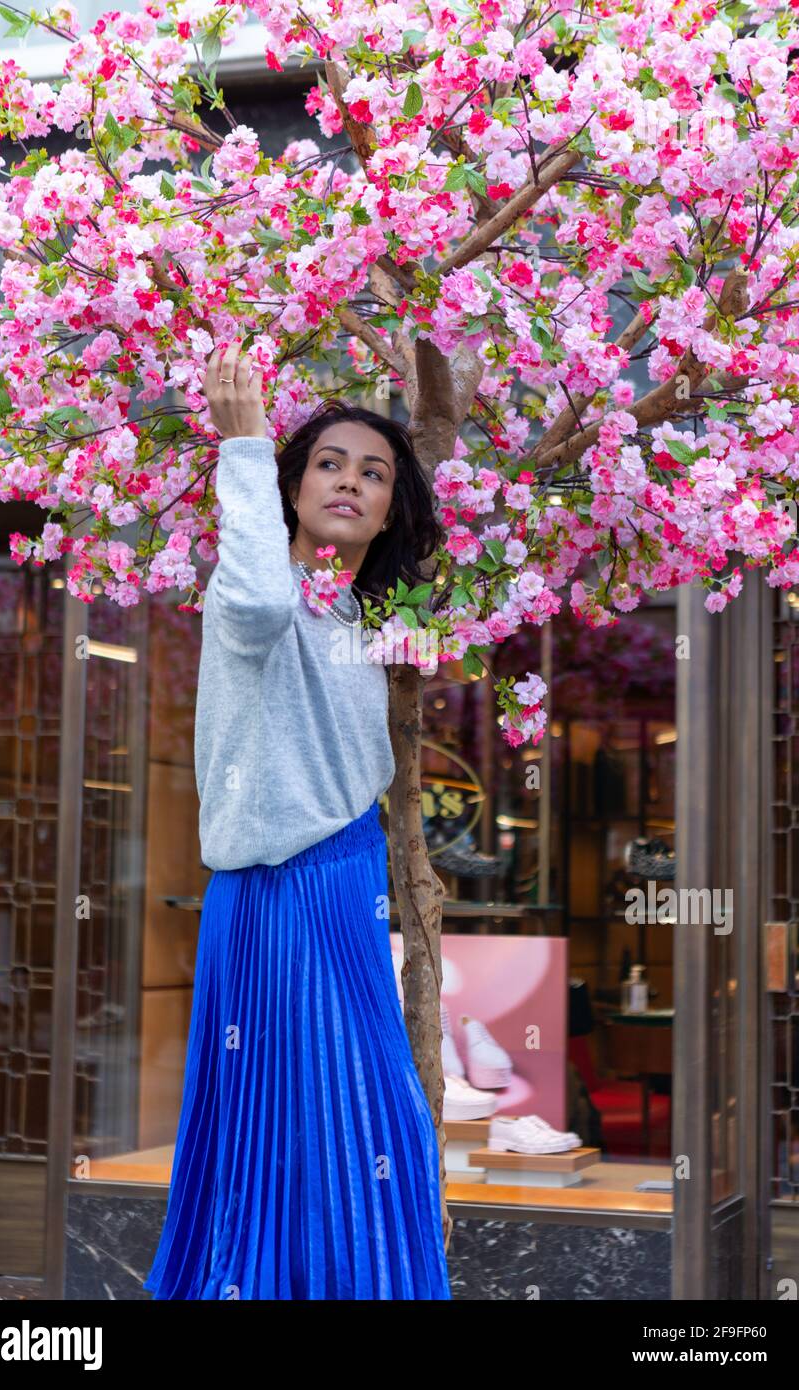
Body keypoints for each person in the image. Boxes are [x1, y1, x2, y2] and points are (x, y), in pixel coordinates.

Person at [142, 344, 452, 1299]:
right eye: (328, 463)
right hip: (276, 890)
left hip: (350, 880)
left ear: (394, 507)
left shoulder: (355, 617)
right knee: (293, 1119)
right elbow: (256, 600)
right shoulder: (254, 594)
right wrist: (242, 446)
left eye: (374, 473)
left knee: (371, 1119)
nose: (351, 482)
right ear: (287, 484)